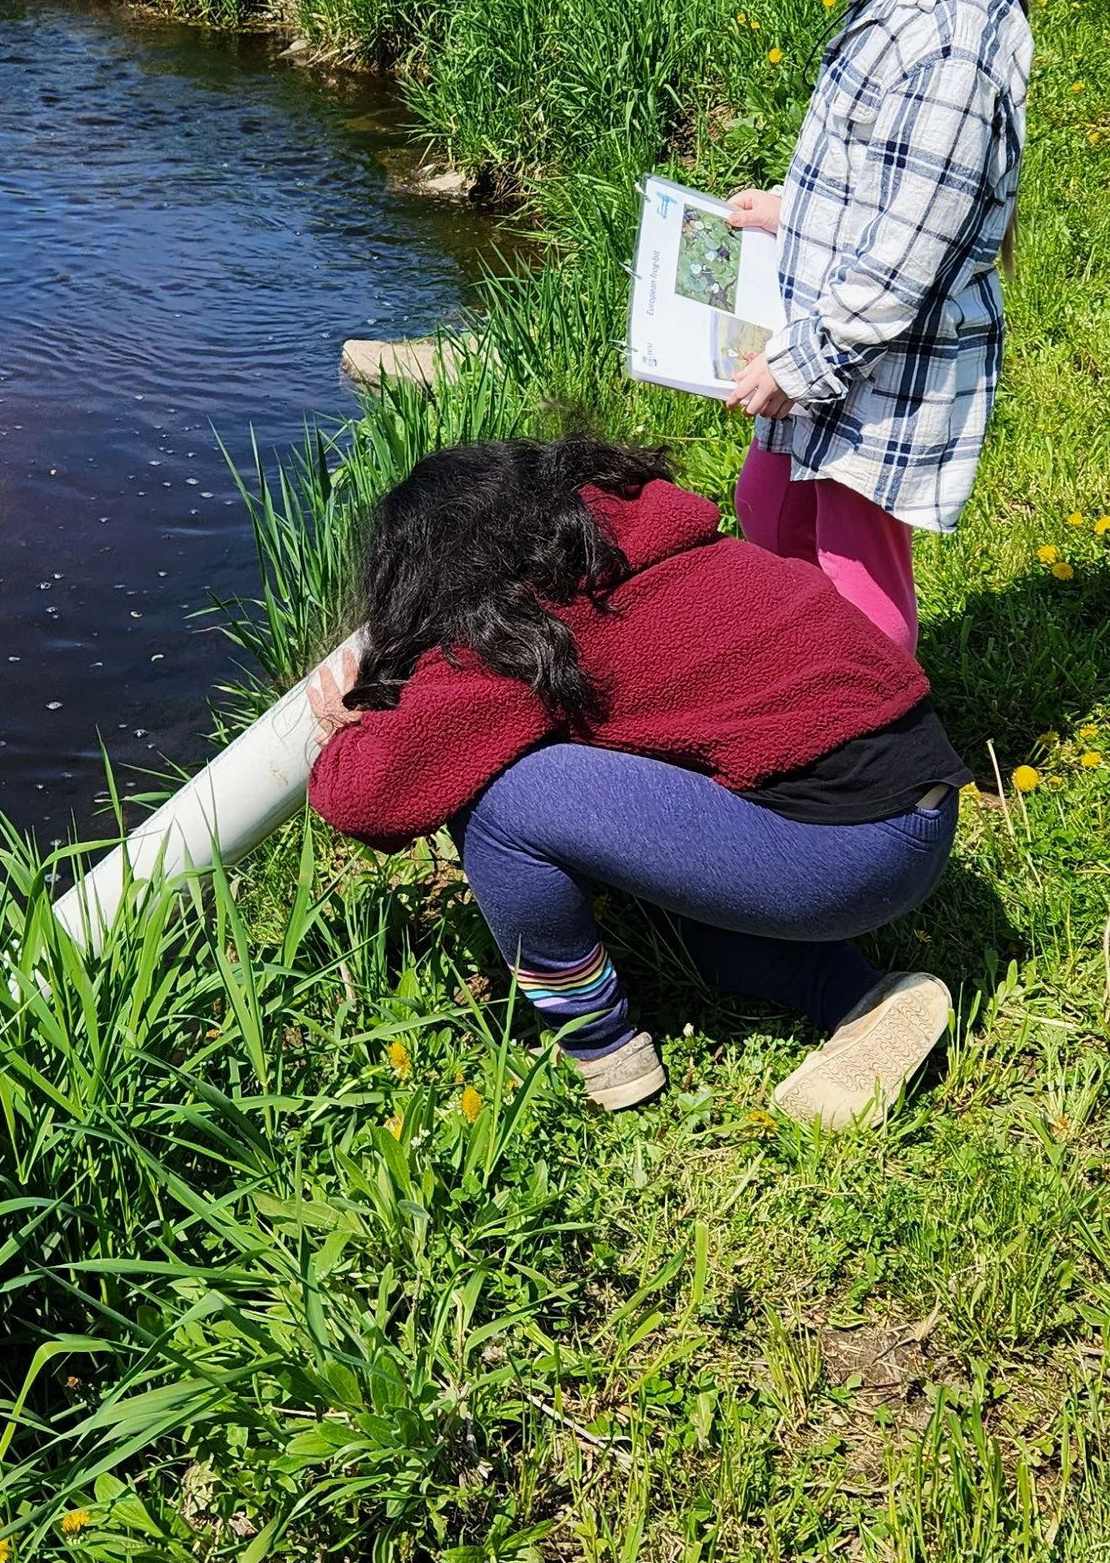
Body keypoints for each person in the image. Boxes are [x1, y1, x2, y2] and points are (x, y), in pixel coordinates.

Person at [303, 434, 970, 1126]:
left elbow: (370, 796)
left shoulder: (518, 634)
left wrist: (339, 731)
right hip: (915, 799)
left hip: (849, 844)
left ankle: (603, 1051)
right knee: (669, 901)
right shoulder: (632, 541)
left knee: (504, 804)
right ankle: (860, 996)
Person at [726, 0, 1034, 652]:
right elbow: (880, 169)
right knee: (767, 513)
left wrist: (802, 364)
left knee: (855, 572)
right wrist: (792, 205)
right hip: (832, 338)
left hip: (876, 361)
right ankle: (792, 694)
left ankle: (875, 752)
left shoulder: (952, 33)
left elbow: (909, 250)